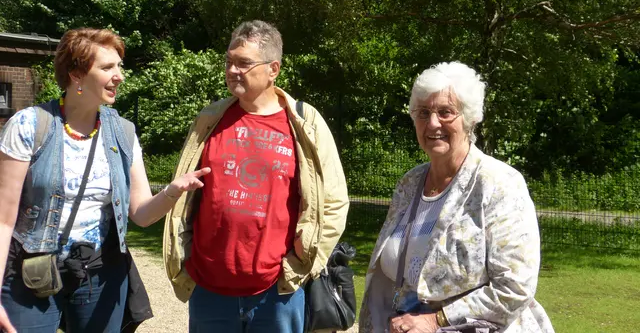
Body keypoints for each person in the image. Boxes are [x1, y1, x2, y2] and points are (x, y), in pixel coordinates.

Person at [0, 28, 211, 333]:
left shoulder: (122, 132)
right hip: (32, 272)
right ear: (76, 74)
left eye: (119, 66)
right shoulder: (30, 126)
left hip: (99, 274)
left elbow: (141, 214)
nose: (119, 76)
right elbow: (4, 219)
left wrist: (172, 191)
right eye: (107, 67)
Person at [163, 20, 350, 333]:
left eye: (244, 63)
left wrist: (301, 265)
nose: (232, 70)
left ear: (273, 69)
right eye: (229, 61)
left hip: (276, 293)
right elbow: (185, 196)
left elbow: (334, 202)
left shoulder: (305, 123)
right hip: (208, 290)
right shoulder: (210, 119)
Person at [359, 62, 554, 333]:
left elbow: (514, 287)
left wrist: (436, 319)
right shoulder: (409, 183)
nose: (433, 123)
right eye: (423, 113)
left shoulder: (499, 183)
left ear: (469, 118)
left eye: (446, 112)